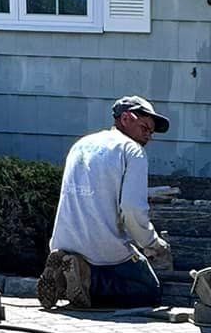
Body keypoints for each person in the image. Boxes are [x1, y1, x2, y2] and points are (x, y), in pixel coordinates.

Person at [38, 96, 174, 310]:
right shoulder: (132, 150)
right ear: (127, 118)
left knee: (114, 266)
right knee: (149, 291)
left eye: (151, 132)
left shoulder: (82, 144)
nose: (149, 136)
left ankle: (68, 272)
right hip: (103, 250)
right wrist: (152, 244)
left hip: (64, 242)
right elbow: (131, 210)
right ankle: (87, 281)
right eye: (145, 128)